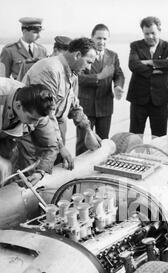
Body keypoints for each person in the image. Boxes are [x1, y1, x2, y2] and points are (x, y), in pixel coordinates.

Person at [22, 38, 98, 169]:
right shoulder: (50, 70)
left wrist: (87, 128)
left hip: (52, 134)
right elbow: (46, 114)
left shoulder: (71, 73)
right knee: (33, 178)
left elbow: (74, 105)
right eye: (88, 62)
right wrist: (61, 146)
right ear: (77, 55)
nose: (89, 68)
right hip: (34, 135)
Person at [76, 24, 125, 155]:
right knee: (82, 142)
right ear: (91, 38)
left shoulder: (112, 56)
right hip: (86, 106)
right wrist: (99, 76)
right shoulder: (83, 55)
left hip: (105, 105)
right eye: (98, 38)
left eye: (104, 39)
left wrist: (118, 86)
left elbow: (118, 74)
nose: (101, 42)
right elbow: (78, 78)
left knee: (103, 141)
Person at [0, 78, 58, 184]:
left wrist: (40, 172)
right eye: (31, 119)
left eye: (38, 120)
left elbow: (51, 146)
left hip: (6, 136)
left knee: (4, 173)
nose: (34, 124)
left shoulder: (38, 109)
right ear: (18, 105)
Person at [127, 16, 168, 137]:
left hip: (160, 100)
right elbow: (133, 65)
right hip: (138, 100)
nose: (149, 37)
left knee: (160, 137)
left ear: (159, 30)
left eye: (153, 33)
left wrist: (150, 62)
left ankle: (157, 156)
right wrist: (156, 70)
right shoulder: (135, 45)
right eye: (146, 34)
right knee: (135, 136)